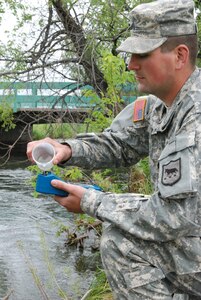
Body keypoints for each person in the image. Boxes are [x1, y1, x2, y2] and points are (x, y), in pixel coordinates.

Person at [27, 0, 201, 299]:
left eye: (142, 54)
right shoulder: (158, 105)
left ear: (179, 56)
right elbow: (118, 143)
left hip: (188, 226)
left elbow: (175, 216)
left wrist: (93, 202)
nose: (132, 64)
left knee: (122, 242)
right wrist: (67, 149)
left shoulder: (196, 114)